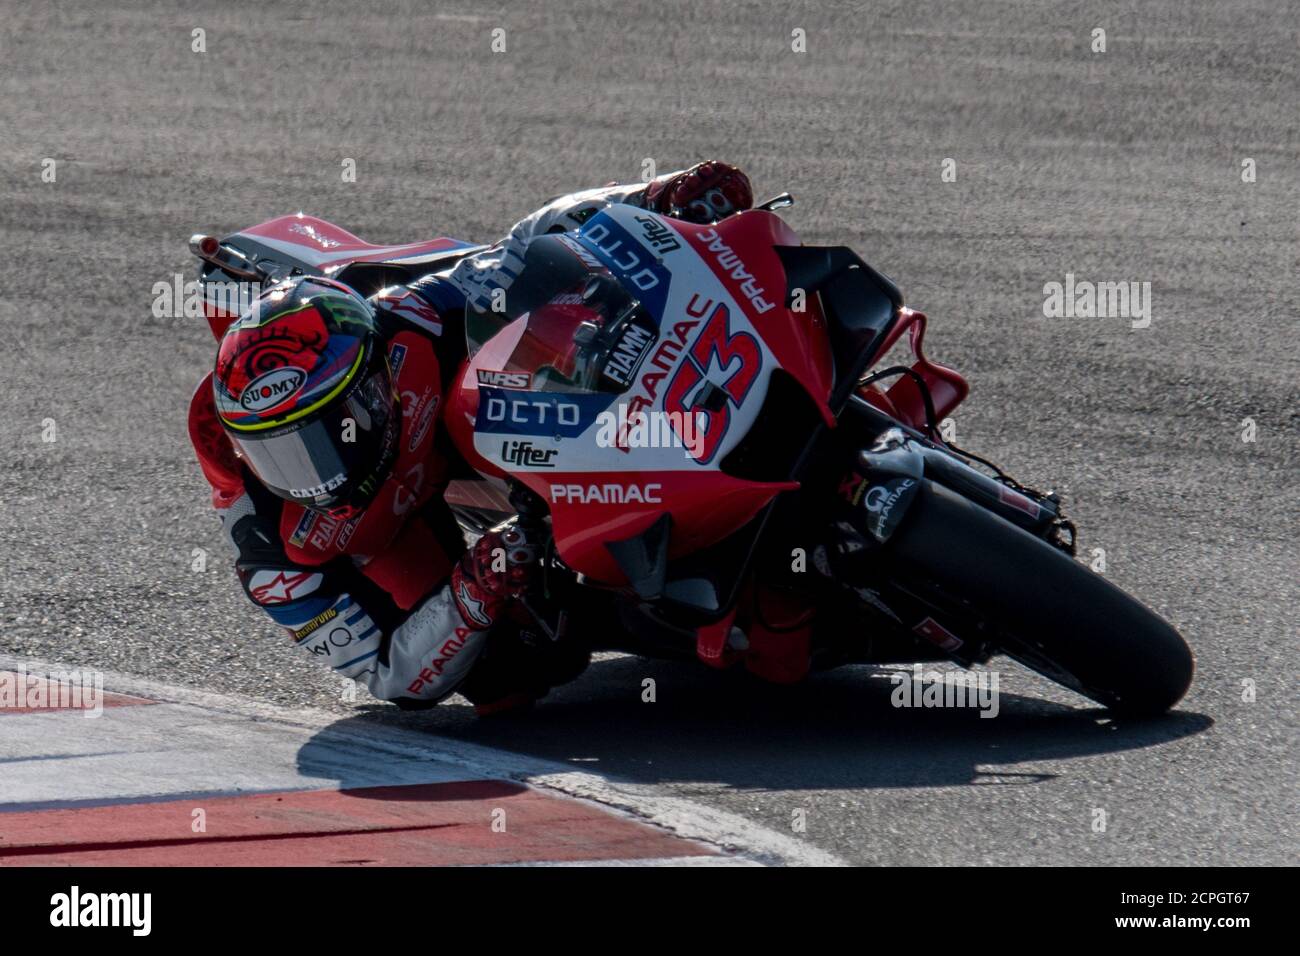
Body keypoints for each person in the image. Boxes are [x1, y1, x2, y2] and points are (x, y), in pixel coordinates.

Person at [187, 162, 754, 713]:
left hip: (458, 434)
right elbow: (390, 677)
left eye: (320, 438)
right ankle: (634, 599)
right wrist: (475, 587)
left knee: (561, 304)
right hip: (391, 532)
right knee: (507, 676)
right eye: (275, 455)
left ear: (371, 390)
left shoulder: (404, 324)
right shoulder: (269, 551)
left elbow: (521, 251)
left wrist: (659, 195)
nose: (313, 476)